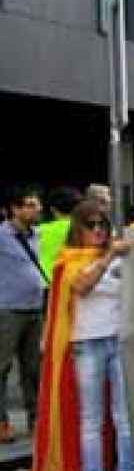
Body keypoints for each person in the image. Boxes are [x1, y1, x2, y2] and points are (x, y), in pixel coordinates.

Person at [52, 201, 134, 471]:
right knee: (91, 418)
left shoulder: (120, 258)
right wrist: (109, 257)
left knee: (124, 417)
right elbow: (82, 287)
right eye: (91, 225)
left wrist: (117, 255)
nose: (98, 230)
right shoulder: (69, 259)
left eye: (102, 224)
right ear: (78, 228)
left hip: (118, 339)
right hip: (86, 342)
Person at [1, 188, 46, 443]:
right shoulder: (1, 235)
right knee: (2, 367)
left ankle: (36, 419)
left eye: (37, 205)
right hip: (7, 309)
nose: (36, 209)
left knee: (33, 368)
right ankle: (2, 424)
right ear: (15, 209)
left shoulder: (37, 234)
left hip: (34, 309)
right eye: (30, 205)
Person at [35, 187, 80, 277]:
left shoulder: (39, 231)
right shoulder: (86, 230)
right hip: (72, 282)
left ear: (52, 209)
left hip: (44, 281)